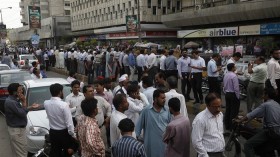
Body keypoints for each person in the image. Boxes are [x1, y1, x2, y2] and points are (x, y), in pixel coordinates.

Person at [238, 88, 280, 157]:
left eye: (264, 94)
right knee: (258, 131)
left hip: (271, 131)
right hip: (277, 131)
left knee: (247, 145)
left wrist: (240, 121)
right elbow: (258, 115)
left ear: (267, 95)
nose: (262, 95)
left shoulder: (266, 105)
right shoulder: (276, 104)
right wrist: (249, 120)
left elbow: (251, 114)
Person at [4, 83, 39, 157]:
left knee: (18, 152)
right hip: (17, 132)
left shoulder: (13, 100)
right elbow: (23, 113)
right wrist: (24, 101)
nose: (22, 91)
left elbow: (19, 111)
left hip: (17, 130)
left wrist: (30, 107)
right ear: (14, 92)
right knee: (22, 153)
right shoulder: (11, 102)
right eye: (20, 90)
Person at [136, 89, 171, 157]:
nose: (164, 100)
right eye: (162, 98)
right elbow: (138, 129)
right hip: (150, 149)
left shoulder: (167, 110)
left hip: (164, 148)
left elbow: (171, 128)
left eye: (165, 98)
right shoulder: (146, 111)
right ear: (155, 99)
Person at [44, 83, 77, 157]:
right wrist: (73, 135)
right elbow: (69, 122)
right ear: (60, 92)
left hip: (52, 132)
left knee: (55, 152)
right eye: (62, 91)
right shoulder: (64, 105)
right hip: (63, 133)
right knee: (66, 153)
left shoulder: (46, 103)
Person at [192, 93, 225, 157]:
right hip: (208, 154)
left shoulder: (220, 115)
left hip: (220, 152)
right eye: (215, 107)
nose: (218, 109)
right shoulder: (200, 119)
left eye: (219, 106)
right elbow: (196, 142)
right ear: (207, 105)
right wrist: (205, 155)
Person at [223, 63, 240, 130]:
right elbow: (236, 88)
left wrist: (226, 92)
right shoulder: (234, 76)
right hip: (233, 94)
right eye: (235, 67)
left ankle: (227, 125)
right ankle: (232, 127)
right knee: (234, 111)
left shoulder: (226, 75)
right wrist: (238, 96)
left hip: (227, 94)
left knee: (228, 110)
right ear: (232, 68)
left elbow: (224, 85)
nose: (235, 68)